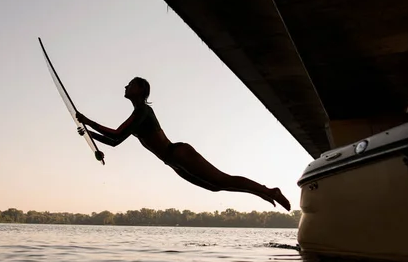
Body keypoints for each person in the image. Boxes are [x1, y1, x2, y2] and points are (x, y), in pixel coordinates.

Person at [75, 77, 291, 211]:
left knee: (221, 179)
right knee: (215, 187)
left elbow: (116, 134)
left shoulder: (143, 111)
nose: (125, 86)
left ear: (140, 89)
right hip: (173, 163)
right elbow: (115, 141)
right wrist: (89, 134)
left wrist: (88, 122)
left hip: (178, 154)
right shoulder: (136, 115)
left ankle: (269, 190)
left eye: (130, 84)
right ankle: (262, 193)